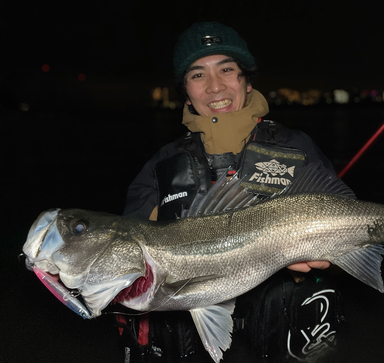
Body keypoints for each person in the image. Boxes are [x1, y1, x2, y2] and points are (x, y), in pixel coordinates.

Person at [118, 21, 353, 363]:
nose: (215, 87)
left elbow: (347, 225)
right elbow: (126, 253)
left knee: (300, 296)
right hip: (192, 323)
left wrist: (331, 259)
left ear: (246, 79)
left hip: (279, 325)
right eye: (198, 75)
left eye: (226, 69)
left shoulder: (296, 148)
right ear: (185, 90)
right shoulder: (161, 165)